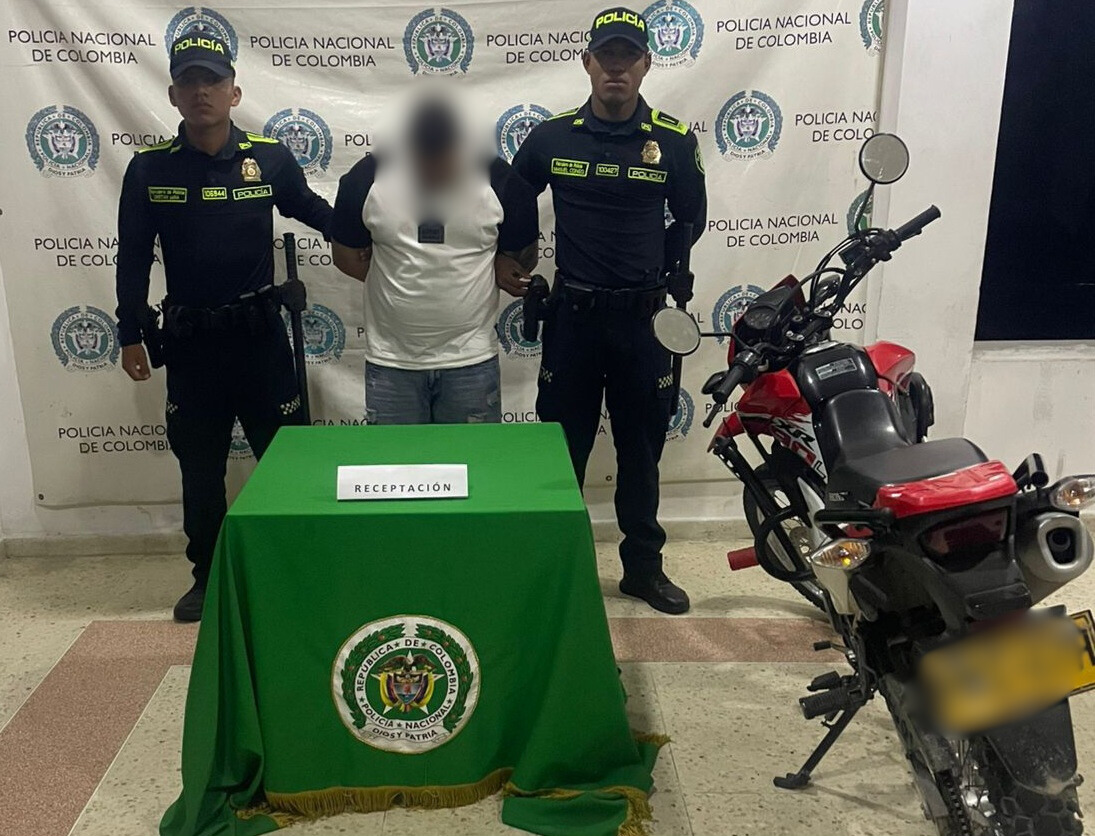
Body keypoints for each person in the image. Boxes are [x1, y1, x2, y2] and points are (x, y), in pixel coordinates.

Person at [115, 33, 333, 622]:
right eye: (189, 81)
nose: (201, 91)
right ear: (173, 95)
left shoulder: (269, 158)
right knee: (200, 469)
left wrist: (374, 230)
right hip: (192, 346)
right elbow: (132, 256)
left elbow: (314, 210)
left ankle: (300, 570)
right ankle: (207, 576)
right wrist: (129, 332)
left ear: (234, 92)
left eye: (212, 80)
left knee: (287, 463)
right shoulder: (149, 169)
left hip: (260, 340)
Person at [511, 7, 706, 614]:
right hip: (573, 319)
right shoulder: (552, 138)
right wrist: (513, 258)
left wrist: (661, 272)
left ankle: (643, 570)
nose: (616, 68)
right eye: (606, 56)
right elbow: (513, 198)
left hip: (642, 324)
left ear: (645, 64)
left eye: (627, 56)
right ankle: (554, 573)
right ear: (588, 63)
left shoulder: (673, 141)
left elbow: (691, 217)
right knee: (559, 451)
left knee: (640, 453)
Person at [330, 93, 539, 424]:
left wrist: (499, 262)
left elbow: (522, 257)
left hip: (471, 359)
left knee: (472, 457)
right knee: (396, 459)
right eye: (423, 159)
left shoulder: (500, 182)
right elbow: (346, 257)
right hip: (391, 361)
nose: (433, 169)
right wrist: (397, 277)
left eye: (442, 158)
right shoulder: (367, 178)